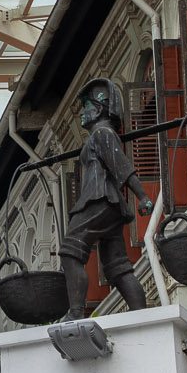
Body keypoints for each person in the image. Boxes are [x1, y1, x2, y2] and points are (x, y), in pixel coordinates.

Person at [60, 77, 147, 315]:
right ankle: (141, 313)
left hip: (98, 201)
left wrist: (144, 197)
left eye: (85, 108)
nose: (81, 116)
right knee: (118, 267)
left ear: (98, 109)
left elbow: (122, 168)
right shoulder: (101, 135)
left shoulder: (102, 134)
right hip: (110, 208)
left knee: (69, 252)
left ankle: (76, 312)